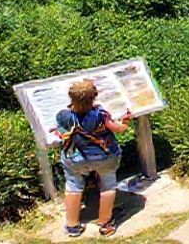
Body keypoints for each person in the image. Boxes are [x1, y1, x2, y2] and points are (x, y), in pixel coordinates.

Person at [54, 80, 131, 238]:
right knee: (108, 185)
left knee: (73, 186)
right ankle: (105, 224)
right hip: (103, 157)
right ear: (93, 97)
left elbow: (61, 133)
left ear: (71, 97)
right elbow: (119, 129)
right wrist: (125, 122)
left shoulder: (63, 116)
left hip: (75, 158)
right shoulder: (100, 115)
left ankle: (73, 226)